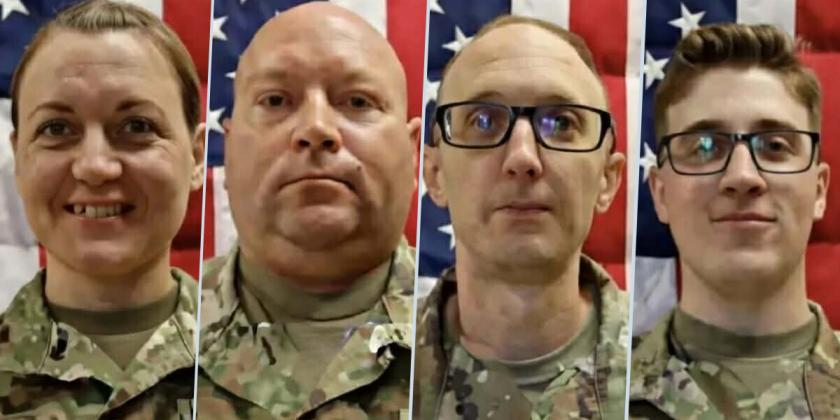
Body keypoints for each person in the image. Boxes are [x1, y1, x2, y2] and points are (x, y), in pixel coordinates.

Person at [196, 2, 420, 418]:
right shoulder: (148, 342)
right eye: (276, 100)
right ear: (228, 151)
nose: (316, 127)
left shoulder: (486, 343)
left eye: (357, 101)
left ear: (413, 154)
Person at [414, 15, 628, 419]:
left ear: (607, 179)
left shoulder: (671, 376)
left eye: (561, 123)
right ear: (435, 174)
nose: (523, 157)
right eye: (483, 121)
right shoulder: (374, 374)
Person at [0, 0, 205, 417]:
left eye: (137, 126)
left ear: (197, 157)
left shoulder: (286, 384)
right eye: (56, 128)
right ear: (18, 159)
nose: (95, 166)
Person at [629, 23, 838, 419]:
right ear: (660, 193)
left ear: (819, 190)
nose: (742, 176)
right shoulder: (590, 397)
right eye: (705, 146)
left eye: (775, 145)